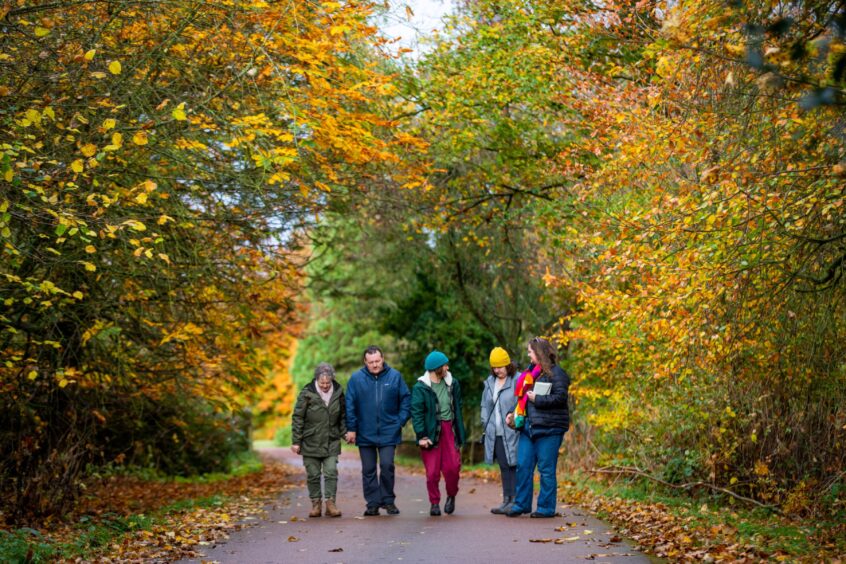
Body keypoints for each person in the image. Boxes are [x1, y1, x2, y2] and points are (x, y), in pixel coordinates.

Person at [505, 337, 570, 518]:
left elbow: (560, 398)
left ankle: (546, 508)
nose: (528, 354)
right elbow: (523, 399)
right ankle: (521, 504)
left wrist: (538, 399)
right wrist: (511, 413)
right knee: (523, 466)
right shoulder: (530, 374)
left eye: (530, 351)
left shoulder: (557, 374)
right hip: (529, 428)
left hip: (550, 429)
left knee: (546, 470)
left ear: (539, 353)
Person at [345, 345, 411, 516]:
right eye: (371, 362)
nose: (375, 365)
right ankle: (373, 503)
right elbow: (350, 405)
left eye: (377, 361)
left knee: (387, 465)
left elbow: (406, 400)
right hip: (365, 431)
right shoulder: (356, 379)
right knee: (368, 469)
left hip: (390, 430)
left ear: (383, 359)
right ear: (365, 362)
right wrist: (351, 428)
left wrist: (400, 421)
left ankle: (388, 501)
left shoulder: (395, 376)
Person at [410, 350, 466, 516]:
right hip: (431, 431)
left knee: (453, 468)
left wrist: (460, 432)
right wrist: (421, 435)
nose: (447, 367)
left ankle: (451, 495)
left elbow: (458, 407)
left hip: (449, 429)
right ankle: (434, 502)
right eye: (445, 365)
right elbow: (417, 413)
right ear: (436, 369)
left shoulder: (452, 383)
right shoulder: (420, 387)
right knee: (432, 472)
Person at [291, 362, 346, 518]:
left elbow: (343, 416)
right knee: (313, 475)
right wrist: (296, 441)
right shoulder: (307, 393)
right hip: (310, 440)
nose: (325, 386)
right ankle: (316, 504)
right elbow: (298, 418)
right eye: (322, 383)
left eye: (328, 382)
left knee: (331, 472)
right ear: (316, 380)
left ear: (332, 379)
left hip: (331, 440)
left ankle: (330, 503)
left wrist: (345, 433)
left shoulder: (339, 392)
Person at [480, 347, 519, 514]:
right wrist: (485, 422)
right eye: (494, 368)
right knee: (503, 465)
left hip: (512, 430)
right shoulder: (490, 383)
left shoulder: (517, 380)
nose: (497, 371)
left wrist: (515, 420)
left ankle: (516, 501)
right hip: (494, 431)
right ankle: (506, 500)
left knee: (513, 465)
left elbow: (521, 403)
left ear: (508, 365)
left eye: (500, 367)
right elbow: (485, 405)